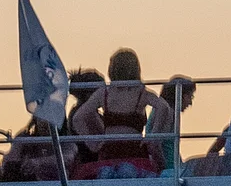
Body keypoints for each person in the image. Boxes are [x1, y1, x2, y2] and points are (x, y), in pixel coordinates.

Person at [70, 48, 172, 176]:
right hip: (135, 152)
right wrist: (153, 137)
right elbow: (164, 107)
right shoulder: (141, 93)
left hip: (108, 153)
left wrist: (92, 143)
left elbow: (78, 118)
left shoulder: (103, 93)